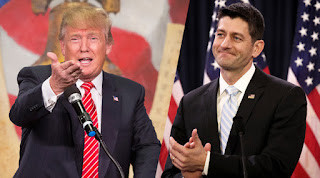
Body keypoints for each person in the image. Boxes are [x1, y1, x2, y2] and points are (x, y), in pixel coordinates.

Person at [10, 3, 160, 178]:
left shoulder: (130, 93)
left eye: (93, 38)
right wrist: (54, 86)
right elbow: (19, 115)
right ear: (63, 46)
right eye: (75, 38)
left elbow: (147, 145)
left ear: (109, 45)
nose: (84, 47)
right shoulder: (37, 78)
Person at [162, 3, 307, 178]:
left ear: (257, 48)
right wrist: (187, 177)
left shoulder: (285, 97)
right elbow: (170, 174)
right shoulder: (190, 102)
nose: (224, 44)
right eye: (220, 34)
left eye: (236, 38)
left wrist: (206, 162)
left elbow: (276, 167)